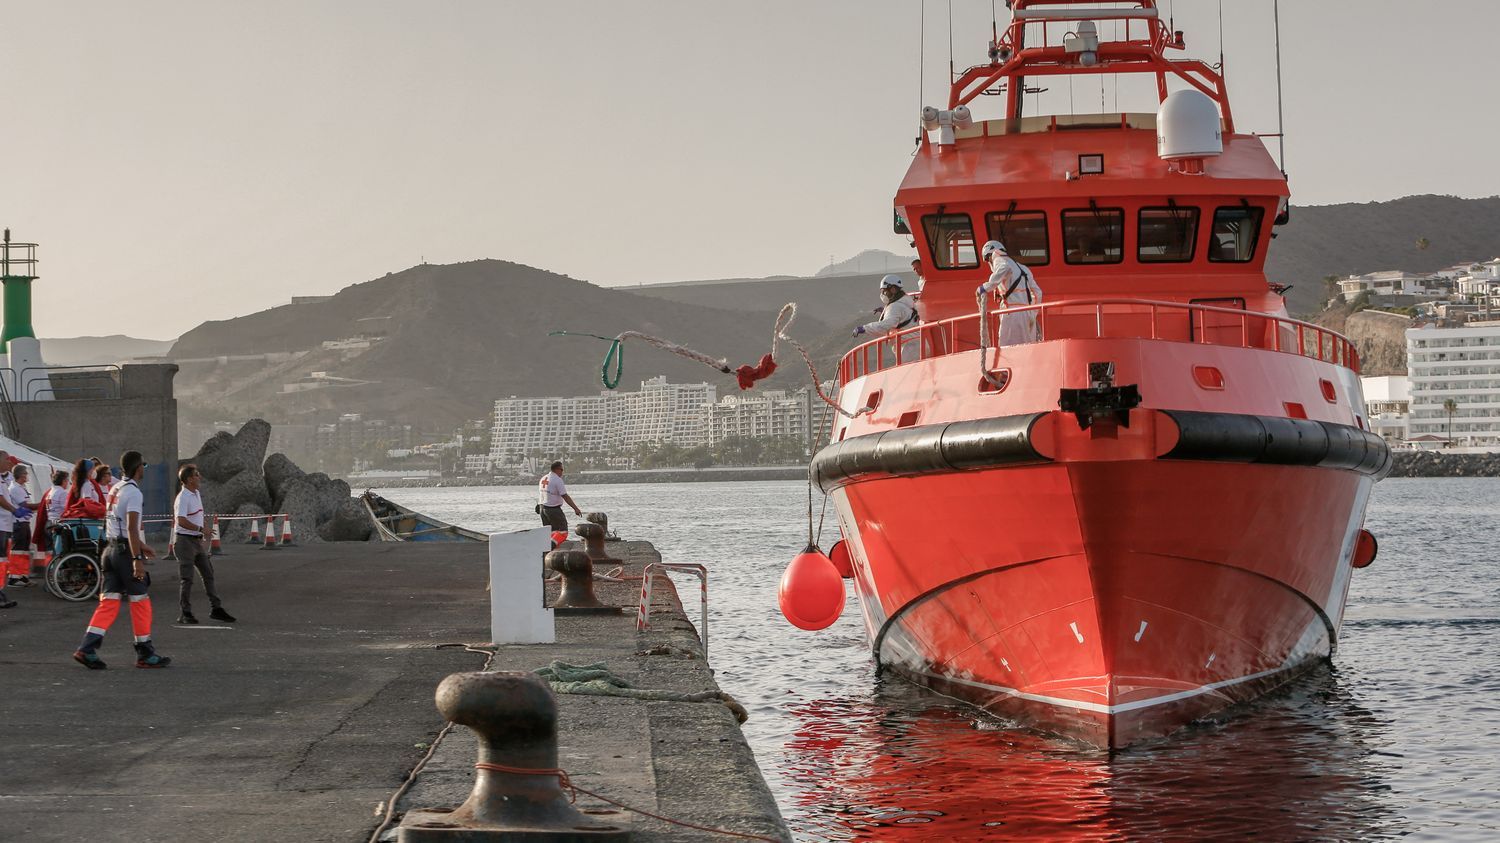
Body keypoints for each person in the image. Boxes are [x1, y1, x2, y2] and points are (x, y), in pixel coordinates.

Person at [72, 450, 171, 670]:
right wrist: (137, 558)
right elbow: (132, 528)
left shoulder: (115, 489)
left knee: (108, 603)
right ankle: (145, 652)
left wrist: (139, 546)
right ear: (138, 469)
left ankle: (86, 648)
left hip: (110, 550)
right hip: (125, 553)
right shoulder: (133, 493)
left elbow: (117, 525)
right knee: (140, 601)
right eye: (143, 467)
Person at [173, 464, 233, 624]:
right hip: (184, 541)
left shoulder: (196, 493)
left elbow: (199, 515)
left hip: (196, 541)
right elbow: (181, 521)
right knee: (187, 579)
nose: (199, 477)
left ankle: (216, 608)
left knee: (208, 573)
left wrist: (203, 535)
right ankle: (185, 613)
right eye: (196, 475)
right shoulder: (183, 497)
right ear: (189, 479)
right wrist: (201, 529)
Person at [978, 240, 1043, 346]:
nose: (989, 262)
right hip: (1027, 313)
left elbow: (1004, 268)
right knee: (1028, 348)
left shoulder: (998, 258)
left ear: (989, 254)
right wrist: (1033, 313)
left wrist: (985, 287)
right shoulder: (1023, 268)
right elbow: (1038, 293)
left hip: (1011, 314)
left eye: (987, 259)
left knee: (1007, 349)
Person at [6, 465, 35, 587]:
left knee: (23, 550)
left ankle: (22, 575)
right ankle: (14, 576)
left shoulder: (21, 487)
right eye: (25, 473)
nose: (27, 475)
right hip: (18, 523)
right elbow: (25, 505)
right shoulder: (16, 488)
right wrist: (41, 504)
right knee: (18, 550)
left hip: (23, 522)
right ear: (21, 475)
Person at [537, 461, 582, 533]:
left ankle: (550, 543)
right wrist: (576, 509)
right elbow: (565, 496)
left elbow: (542, 493)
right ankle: (556, 544)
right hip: (553, 509)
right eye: (561, 470)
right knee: (562, 531)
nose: (562, 472)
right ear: (556, 469)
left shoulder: (543, 478)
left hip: (542, 508)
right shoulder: (557, 480)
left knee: (549, 531)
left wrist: (538, 505)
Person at [31, 469, 69, 550]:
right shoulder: (62, 492)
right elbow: (66, 508)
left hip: (48, 522)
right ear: (63, 481)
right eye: (67, 480)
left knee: (49, 549)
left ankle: (49, 562)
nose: (68, 483)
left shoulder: (50, 491)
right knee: (59, 548)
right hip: (57, 523)